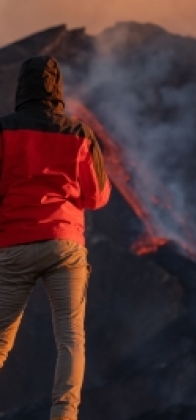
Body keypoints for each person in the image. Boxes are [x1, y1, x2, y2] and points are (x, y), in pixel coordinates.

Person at [0, 56, 111, 420]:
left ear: (22, 89)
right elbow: (96, 196)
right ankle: (64, 415)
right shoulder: (78, 133)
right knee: (70, 337)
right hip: (64, 245)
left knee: (0, 338)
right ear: (57, 90)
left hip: (13, 243)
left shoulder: (4, 131)